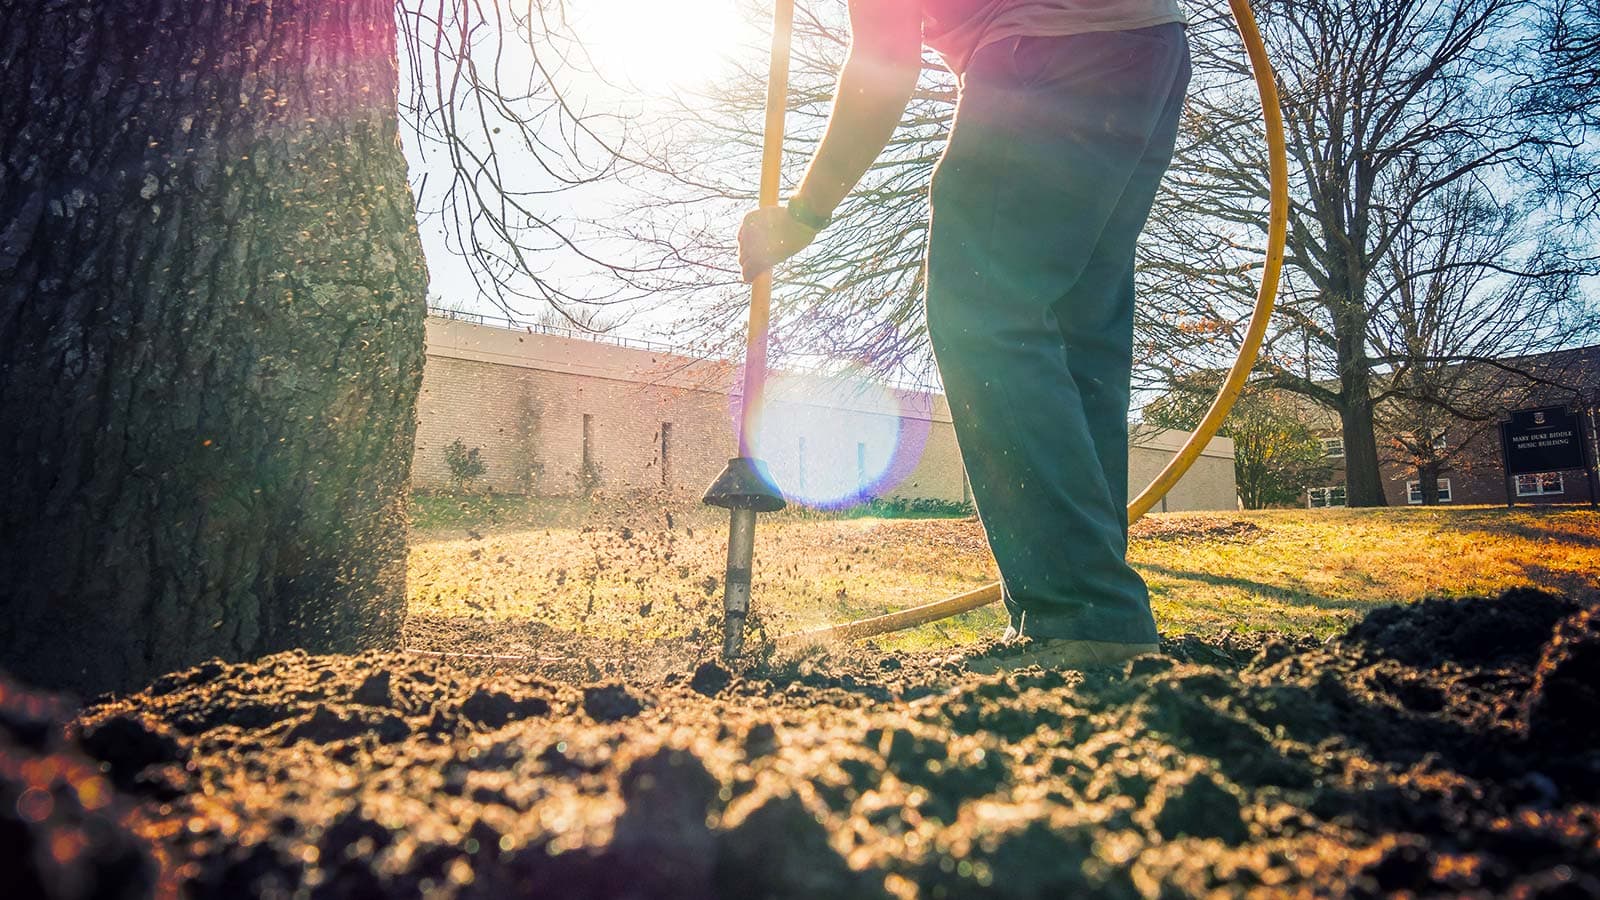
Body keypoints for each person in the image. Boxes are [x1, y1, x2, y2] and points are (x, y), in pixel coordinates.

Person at [737, 0, 1189, 672]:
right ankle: (1099, 619)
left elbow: (885, 59)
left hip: (1044, 55)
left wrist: (805, 214)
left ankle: (1080, 609)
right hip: (1148, 49)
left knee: (985, 310)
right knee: (1076, 336)